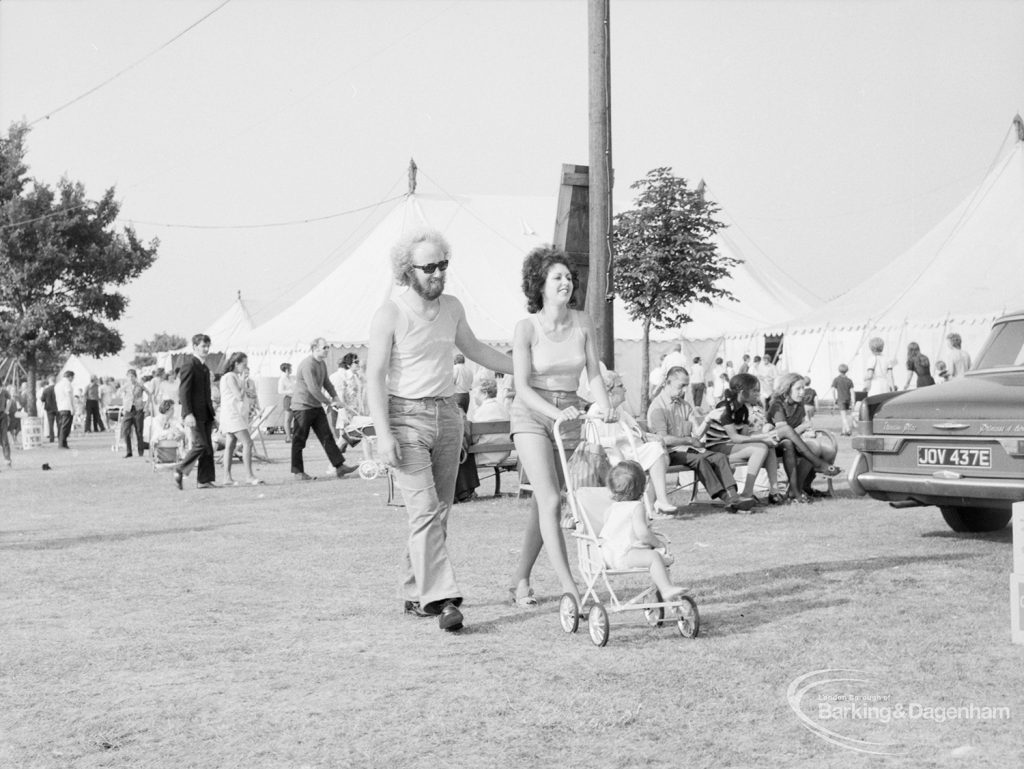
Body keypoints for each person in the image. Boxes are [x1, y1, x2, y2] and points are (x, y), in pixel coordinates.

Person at [367, 227, 512, 632]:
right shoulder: (390, 314)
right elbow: (374, 377)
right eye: (428, 267)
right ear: (406, 270)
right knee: (425, 511)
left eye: (442, 265)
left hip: (448, 415)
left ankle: (415, 591)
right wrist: (383, 434)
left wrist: (525, 368)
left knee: (437, 513)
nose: (437, 273)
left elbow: (476, 349)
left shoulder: (452, 307)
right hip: (404, 418)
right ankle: (443, 600)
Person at [507, 244, 611, 610]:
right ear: (540, 286)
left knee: (545, 502)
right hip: (532, 414)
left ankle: (520, 578)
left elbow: (593, 374)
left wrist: (605, 406)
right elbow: (521, 386)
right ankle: (570, 586)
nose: (565, 282)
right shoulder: (526, 329)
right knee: (551, 499)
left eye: (568, 277)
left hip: (569, 413)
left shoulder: (583, 322)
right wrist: (553, 415)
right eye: (557, 278)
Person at [647, 366, 753, 512]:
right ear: (668, 382)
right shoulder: (657, 407)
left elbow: (696, 434)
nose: (684, 390)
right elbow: (663, 440)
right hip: (667, 453)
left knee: (720, 457)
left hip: (689, 450)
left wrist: (708, 419)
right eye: (681, 386)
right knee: (700, 459)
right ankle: (727, 498)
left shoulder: (685, 405)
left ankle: (734, 497)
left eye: (686, 386)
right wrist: (688, 441)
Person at [588, 370, 682, 516]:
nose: (625, 389)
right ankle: (655, 504)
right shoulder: (596, 411)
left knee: (661, 452)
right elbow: (594, 441)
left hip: (630, 450)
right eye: (620, 385)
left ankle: (655, 504)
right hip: (614, 456)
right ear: (610, 391)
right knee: (659, 453)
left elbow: (635, 428)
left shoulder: (619, 409)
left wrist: (649, 436)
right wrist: (622, 438)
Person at [599, 461, 687, 600]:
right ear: (642, 487)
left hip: (607, 555)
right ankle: (666, 589)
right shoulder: (636, 507)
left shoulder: (611, 509)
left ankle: (662, 575)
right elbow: (643, 534)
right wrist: (659, 544)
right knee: (653, 557)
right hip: (624, 555)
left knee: (650, 556)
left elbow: (608, 530)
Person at [702, 373, 783, 504]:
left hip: (732, 447)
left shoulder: (744, 409)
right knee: (761, 447)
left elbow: (745, 436)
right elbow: (735, 438)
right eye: (754, 390)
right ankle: (747, 493)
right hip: (717, 449)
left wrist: (766, 436)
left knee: (769, 446)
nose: (758, 394)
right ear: (742, 392)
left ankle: (774, 492)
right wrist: (763, 438)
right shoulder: (725, 407)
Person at [767, 373, 842, 503]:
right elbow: (785, 432)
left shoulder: (799, 403)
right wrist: (803, 427)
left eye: (803, 388)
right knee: (809, 446)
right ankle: (816, 469)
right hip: (776, 444)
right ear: (787, 388)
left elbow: (803, 426)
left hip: (794, 442)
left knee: (820, 447)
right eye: (798, 388)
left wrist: (808, 430)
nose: (802, 392)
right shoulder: (777, 405)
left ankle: (800, 488)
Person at [289, 339, 356, 481]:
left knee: (327, 437)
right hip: (302, 407)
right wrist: (329, 402)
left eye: (327, 347)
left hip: (315, 406)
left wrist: (336, 397)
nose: (327, 350)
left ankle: (340, 467)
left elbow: (327, 383)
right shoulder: (307, 364)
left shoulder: (321, 364)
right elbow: (313, 388)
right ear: (315, 348)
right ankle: (298, 472)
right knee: (299, 440)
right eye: (324, 347)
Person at [173, 334, 218, 490]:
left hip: (206, 413)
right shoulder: (189, 365)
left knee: (208, 448)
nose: (206, 349)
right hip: (194, 414)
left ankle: (204, 480)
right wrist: (187, 413)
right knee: (201, 444)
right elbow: (183, 392)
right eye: (203, 346)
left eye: (207, 346)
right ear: (195, 347)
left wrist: (212, 414)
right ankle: (180, 469)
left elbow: (206, 394)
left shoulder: (204, 367)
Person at [219, 352, 263, 486]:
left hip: (233, 415)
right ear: (236, 363)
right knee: (247, 443)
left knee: (230, 444)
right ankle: (249, 476)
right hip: (232, 415)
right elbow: (238, 395)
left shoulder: (232, 377)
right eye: (244, 364)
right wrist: (244, 382)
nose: (246, 367)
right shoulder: (230, 376)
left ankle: (227, 477)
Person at [119, 369, 147, 458]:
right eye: (129, 376)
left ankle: (140, 452)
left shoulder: (140, 385)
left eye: (132, 376)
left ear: (135, 377)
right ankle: (129, 451)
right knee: (125, 430)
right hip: (128, 410)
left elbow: (150, 394)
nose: (131, 378)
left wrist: (146, 405)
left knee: (139, 431)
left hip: (138, 410)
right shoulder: (126, 386)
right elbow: (118, 393)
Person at [830, 364, 855, 436]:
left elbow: (833, 390)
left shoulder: (836, 380)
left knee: (843, 417)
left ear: (839, 370)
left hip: (841, 399)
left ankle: (848, 429)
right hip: (848, 400)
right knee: (845, 416)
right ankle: (844, 431)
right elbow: (852, 392)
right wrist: (853, 401)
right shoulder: (849, 380)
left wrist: (834, 399)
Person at [54, 371, 75, 449]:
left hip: (60, 407)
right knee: (66, 426)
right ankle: (62, 443)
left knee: (61, 426)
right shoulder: (67, 384)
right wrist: (72, 407)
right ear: (70, 376)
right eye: (72, 377)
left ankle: (63, 442)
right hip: (67, 407)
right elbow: (68, 396)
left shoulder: (58, 384)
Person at [277, 362, 295, 442]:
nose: (291, 370)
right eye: (290, 368)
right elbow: (280, 391)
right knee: (288, 419)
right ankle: (288, 436)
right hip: (288, 398)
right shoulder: (282, 379)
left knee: (294, 418)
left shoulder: (290, 378)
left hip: (294, 398)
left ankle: (292, 435)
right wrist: (290, 391)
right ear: (287, 369)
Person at [40, 376, 57, 443]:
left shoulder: (46, 390)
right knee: (59, 423)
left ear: (49, 381)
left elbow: (42, 399)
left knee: (50, 424)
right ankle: (60, 436)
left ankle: (51, 438)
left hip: (49, 408)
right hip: (57, 407)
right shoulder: (57, 388)